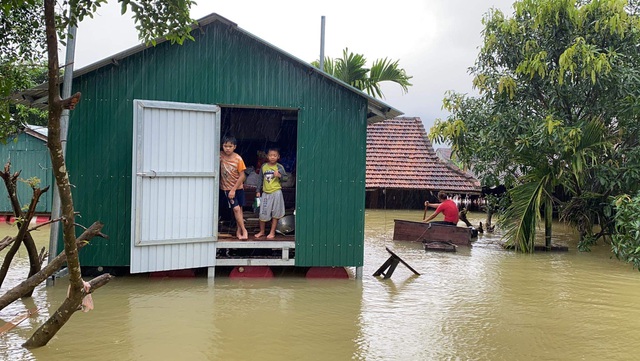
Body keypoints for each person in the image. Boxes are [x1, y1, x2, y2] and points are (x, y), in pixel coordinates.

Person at [254, 148, 288, 239]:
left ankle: (272, 232)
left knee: (275, 214)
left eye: (275, 156)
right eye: (270, 155)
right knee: (263, 212)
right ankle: (262, 231)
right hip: (266, 193)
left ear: (278, 157)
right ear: (267, 156)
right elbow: (260, 179)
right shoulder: (264, 166)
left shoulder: (279, 167)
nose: (272, 157)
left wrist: (279, 175)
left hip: (276, 193)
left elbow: (286, 178)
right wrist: (258, 191)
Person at [220, 136, 248, 240]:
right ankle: (244, 230)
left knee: (239, 209)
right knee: (236, 209)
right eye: (225, 146)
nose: (227, 148)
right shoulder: (220, 156)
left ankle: (238, 230)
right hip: (226, 188)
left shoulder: (238, 159)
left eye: (230, 146)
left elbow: (242, 176)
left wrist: (234, 189)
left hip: (238, 187)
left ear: (234, 147)